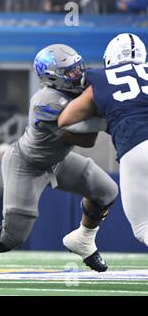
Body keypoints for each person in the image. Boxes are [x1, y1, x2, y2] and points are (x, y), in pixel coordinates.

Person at [0, 44, 120, 284]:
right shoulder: (45, 100)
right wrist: (112, 115)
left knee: (106, 190)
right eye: (70, 71)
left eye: (78, 67)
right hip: (26, 164)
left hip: (57, 160)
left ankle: (84, 239)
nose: (78, 74)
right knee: (12, 237)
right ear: (51, 76)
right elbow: (85, 139)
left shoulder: (80, 87)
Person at [58, 33, 148, 247]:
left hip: (135, 145)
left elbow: (66, 120)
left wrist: (108, 122)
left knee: (144, 226)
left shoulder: (100, 77)